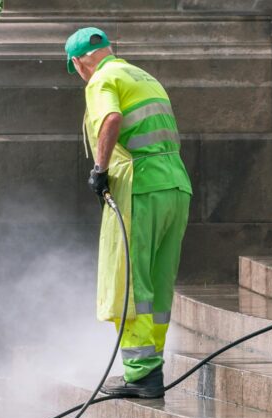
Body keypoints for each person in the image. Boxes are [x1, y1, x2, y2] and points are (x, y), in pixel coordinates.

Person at [65, 27, 193, 398]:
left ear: (79, 63)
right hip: (175, 185)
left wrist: (99, 170)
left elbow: (110, 120)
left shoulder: (102, 79)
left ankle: (139, 374)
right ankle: (150, 371)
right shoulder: (142, 75)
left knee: (131, 283)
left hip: (141, 188)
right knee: (157, 283)